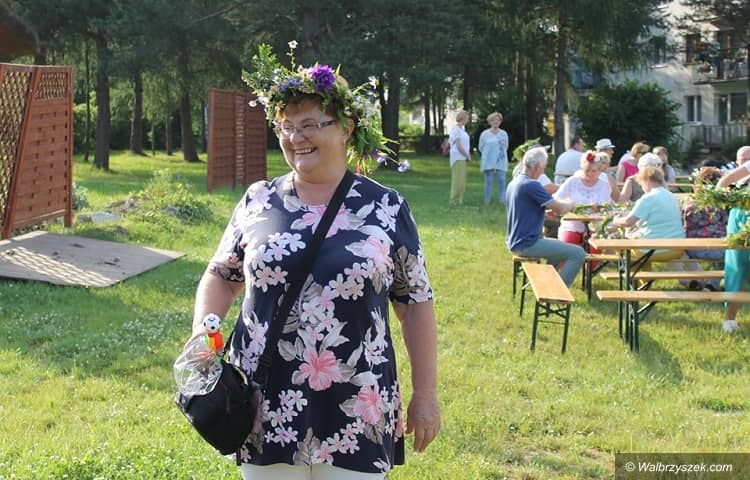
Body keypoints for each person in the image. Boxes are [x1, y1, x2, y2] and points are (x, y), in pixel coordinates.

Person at [191, 44, 440, 479]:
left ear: (345, 127)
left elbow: (415, 302)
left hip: (358, 404)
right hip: (266, 405)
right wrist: (202, 334)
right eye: (285, 127)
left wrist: (426, 394)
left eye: (308, 125)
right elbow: (221, 277)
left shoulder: (386, 208)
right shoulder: (258, 201)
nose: (294, 138)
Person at [506, 146, 586, 287]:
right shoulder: (532, 185)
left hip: (515, 241)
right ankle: (559, 291)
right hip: (527, 243)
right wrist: (572, 202)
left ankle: (549, 286)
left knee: (557, 251)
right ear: (537, 167)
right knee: (578, 253)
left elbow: (522, 212)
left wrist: (543, 214)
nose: (543, 171)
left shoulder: (514, 183)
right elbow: (560, 208)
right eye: (543, 168)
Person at [612, 163, 685, 273]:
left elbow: (628, 222)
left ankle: (638, 279)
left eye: (641, 184)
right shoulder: (671, 195)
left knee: (622, 247)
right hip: (676, 248)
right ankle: (645, 279)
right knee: (640, 245)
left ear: (647, 180)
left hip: (655, 249)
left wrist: (615, 221)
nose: (642, 187)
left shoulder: (648, 198)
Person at [716, 145, 750, 332]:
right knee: (738, 267)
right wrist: (732, 197)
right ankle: (729, 319)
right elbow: (722, 184)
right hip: (742, 219)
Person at [676, 166, 727, 291]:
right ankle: (713, 284)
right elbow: (725, 221)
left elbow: (682, 225)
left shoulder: (688, 205)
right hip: (719, 249)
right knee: (732, 252)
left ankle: (700, 281)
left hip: (694, 249)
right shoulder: (720, 204)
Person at [554, 151, 612, 249]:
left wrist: (599, 209)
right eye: (587, 170)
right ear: (582, 169)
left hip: (596, 227)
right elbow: (557, 198)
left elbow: (608, 207)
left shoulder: (604, 185)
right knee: (567, 247)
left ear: (599, 171)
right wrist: (569, 205)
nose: (590, 174)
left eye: (593, 171)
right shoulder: (572, 181)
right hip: (572, 225)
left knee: (596, 249)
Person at [478, 112, 509, 206]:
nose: (496, 122)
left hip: (501, 160)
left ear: (500, 121)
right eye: (493, 120)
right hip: (488, 161)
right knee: (489, 180)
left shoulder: (503, 133)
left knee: (502, 179)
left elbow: (506, 147)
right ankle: (487, 201)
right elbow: (480, 147)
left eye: (498, 120)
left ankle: (502, 200)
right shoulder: (485, 134)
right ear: (490, 122)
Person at [449, 110, 472, 205]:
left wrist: (466, 155)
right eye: (467, 118)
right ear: (462, 118)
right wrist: (467, 155)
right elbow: (458, 145)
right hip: (457, 157)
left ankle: (459, 200)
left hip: (462, 157)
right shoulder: (456, 129)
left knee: (462, 181)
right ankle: (454, 200)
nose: (468, 119)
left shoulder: (462, 130)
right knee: (457, 180)